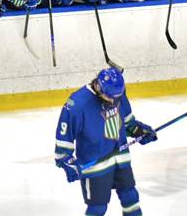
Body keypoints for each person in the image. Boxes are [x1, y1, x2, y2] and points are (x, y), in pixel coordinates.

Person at [54, 67, 155, 216]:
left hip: (120, 157)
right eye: (111, 98)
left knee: (131, 197)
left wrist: (138, 131)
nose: (115, 101)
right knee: (98, 208)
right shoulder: (77, 104)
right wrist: (66, 160)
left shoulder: (116, 94)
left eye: (117, 98)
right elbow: (64, 137)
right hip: (95, 163)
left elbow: (126, 121)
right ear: (99, 87)